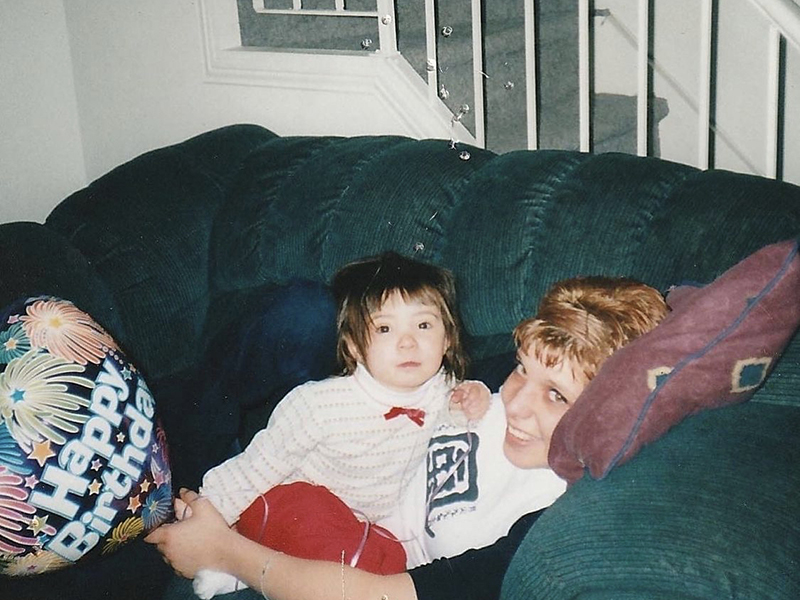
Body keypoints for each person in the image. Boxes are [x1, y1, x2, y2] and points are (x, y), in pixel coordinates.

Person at [147, 275, 669, 600]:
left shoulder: (549, 522)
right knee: (304, 311)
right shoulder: (509, 388)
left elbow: (374, 594)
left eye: (555, 396)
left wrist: (220, 549)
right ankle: (156, 414)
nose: (515, 402)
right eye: (519, 370)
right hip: (297, 446)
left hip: (318, 535)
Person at [191, 251, 488, 598]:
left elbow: (455, 416)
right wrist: (205, 513)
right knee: (309, 517)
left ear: (448, 338)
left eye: (423, 325)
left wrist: (473, 394)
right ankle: (232, 559)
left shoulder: (441, 389)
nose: (408, 341)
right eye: (384, 328)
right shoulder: (319, 406)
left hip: (361, 522)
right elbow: (256, 468)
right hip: (294, 501)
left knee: (384, 558)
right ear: (354, 347)